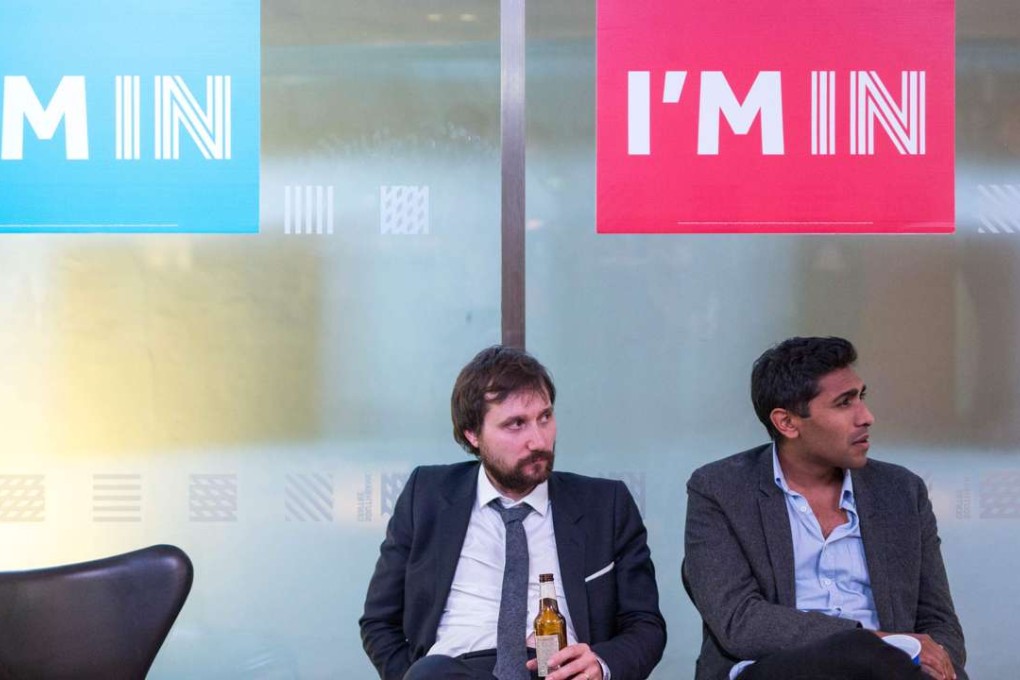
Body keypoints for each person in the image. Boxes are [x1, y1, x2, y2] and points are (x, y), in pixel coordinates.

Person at [360, 345, 666, 680]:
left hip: (555, 671)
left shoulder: (605, 504)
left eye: (544, 417)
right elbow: (379, 621)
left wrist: (601, 664)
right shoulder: (427, 495)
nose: (538, 440)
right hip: (453, 670)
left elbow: (646, 625)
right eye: (516, 424)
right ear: (473, 434)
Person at [683, 336, 967, 680]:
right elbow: (740, 621)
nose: (866, 417)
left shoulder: (902, 491)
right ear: (787, 423)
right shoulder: (720, 489)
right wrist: (873, 641)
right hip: (773, 669)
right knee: (856, 652)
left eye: (861, 397)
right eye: (844, 403)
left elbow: (939, 621)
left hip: (890, 671)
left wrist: (937, 661)